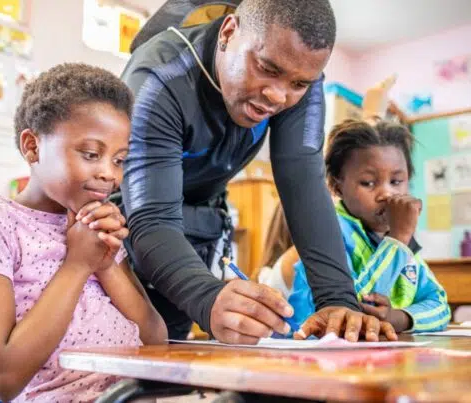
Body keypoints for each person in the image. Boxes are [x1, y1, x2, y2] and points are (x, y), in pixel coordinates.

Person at [119, 0, 397, 344]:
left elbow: (304, 185)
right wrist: (208, 298)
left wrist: (338, 300)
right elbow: (151, 217)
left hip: (197, 228)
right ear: (229, 32)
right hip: (124, 236)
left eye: (299, 84)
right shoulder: (160, 76)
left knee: (167, 363)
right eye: (266, 68)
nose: (277, 96)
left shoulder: (298, 77)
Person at [0, 63, 167, 402]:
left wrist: (106, 265)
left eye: (120, 160)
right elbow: (2, 379)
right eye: (92, 154)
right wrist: (78, 265)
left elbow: (156, 341)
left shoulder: (98, 225)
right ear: (33, 147)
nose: (109, 174)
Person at [260, 119, 451, 333]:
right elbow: (348, 313)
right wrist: (397, 239)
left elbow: (440, 306)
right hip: (307, 359)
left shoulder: (401, 243)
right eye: (368, 183)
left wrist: (399, 318)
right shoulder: (325, 235)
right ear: (336, 186)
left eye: (396, 181)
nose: (387, 194)